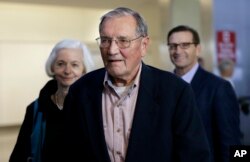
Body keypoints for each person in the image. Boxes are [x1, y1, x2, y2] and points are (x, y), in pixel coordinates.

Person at [62, 7, 210, 162]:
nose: (112, 50)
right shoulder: (80, 91)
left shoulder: (175, 92)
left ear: (144, 45)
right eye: (105, 40)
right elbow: (69, 153)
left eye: (123, 41)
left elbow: (195, 156)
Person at [9, 39, 95, 162]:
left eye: (75, 64)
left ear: (84, 70)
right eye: (60, 64)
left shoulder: (94, 107)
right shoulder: (35, 109)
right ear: (52, 67)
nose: (67, 71)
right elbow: (19, 155)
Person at [167, 25, 241, 162]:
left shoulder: (219, 88)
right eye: (173, 46)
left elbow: (231, 142)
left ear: (198, 49)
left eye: (185, 45)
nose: (177, 51)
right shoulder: (163, 86)